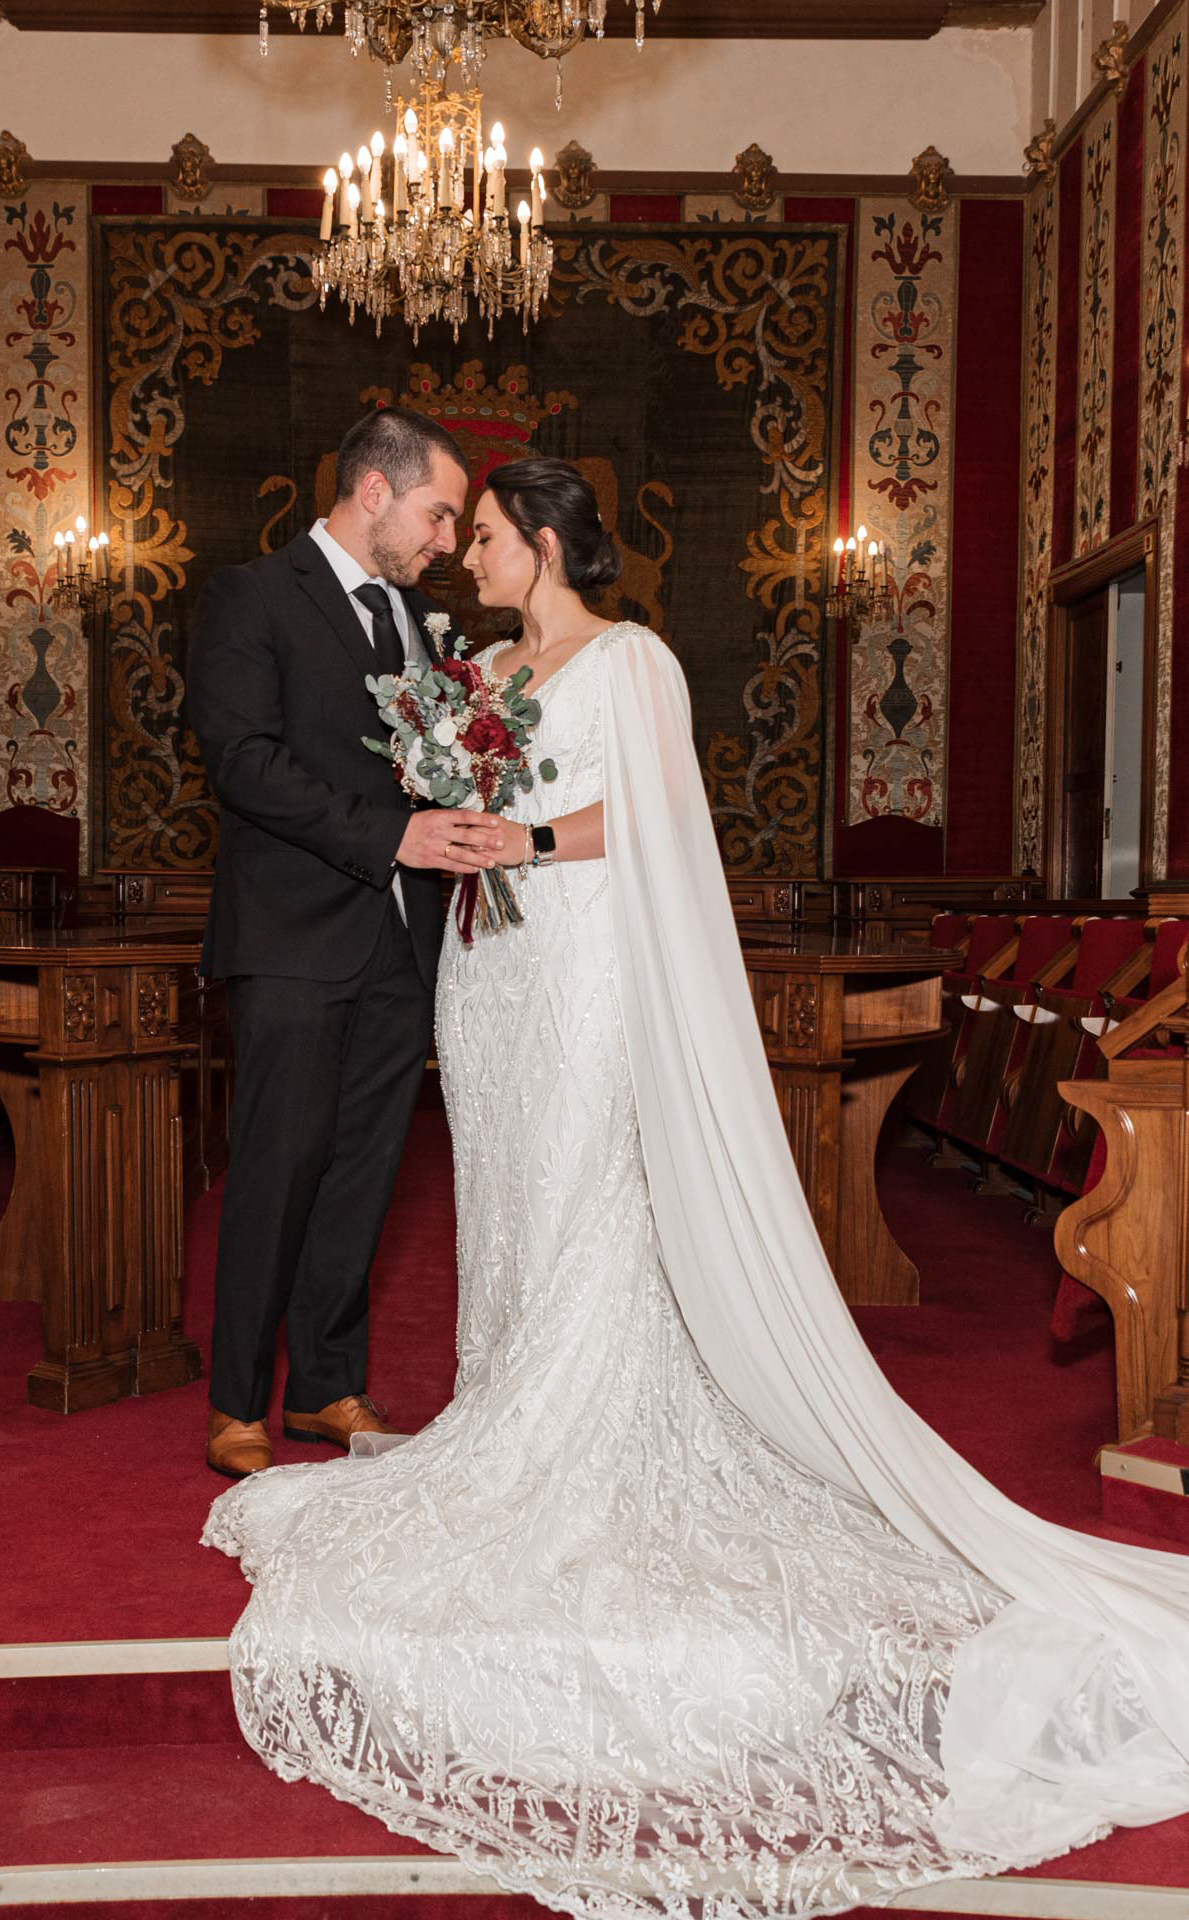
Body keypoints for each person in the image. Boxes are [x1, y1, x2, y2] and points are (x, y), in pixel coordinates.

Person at [204, 457, 1189, 1918]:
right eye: (451, 527)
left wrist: (517, 832)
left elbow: (654, 826)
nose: (460, 554)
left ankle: (572, 1435)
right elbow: (433, 783)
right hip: (490, 974)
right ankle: (505, 1409)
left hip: (585, 966)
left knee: (588, 1195)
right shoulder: (476, 661)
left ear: (538, 543)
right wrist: (454, 804)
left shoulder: (632, 661)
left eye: (478, 536)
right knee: (510, 1208)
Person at [189, 407, 500, 1480]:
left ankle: (325, 1384)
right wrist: (395, 833)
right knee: (275, 1170)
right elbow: (244, 763)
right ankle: (237, 1399)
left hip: (399, 944)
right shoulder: (250, 596)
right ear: (373, 490)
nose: (447, 540)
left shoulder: (417, 625)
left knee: (365, 1172)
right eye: (438, 513)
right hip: (288, 941)